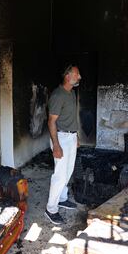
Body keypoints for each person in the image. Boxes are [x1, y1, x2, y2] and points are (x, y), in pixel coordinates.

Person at [45, 64, 81, 225]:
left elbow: (71, 117)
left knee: (68, 171)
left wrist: (76, 136)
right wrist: (56, 145)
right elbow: (51, 121)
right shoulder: (58, 95)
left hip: (70, 137)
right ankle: (51, 209)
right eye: (77, 74)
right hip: (61, 138)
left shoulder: (71, 93)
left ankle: (62, 198)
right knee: (59, 175)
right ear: (68, 76)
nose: (79, 77)